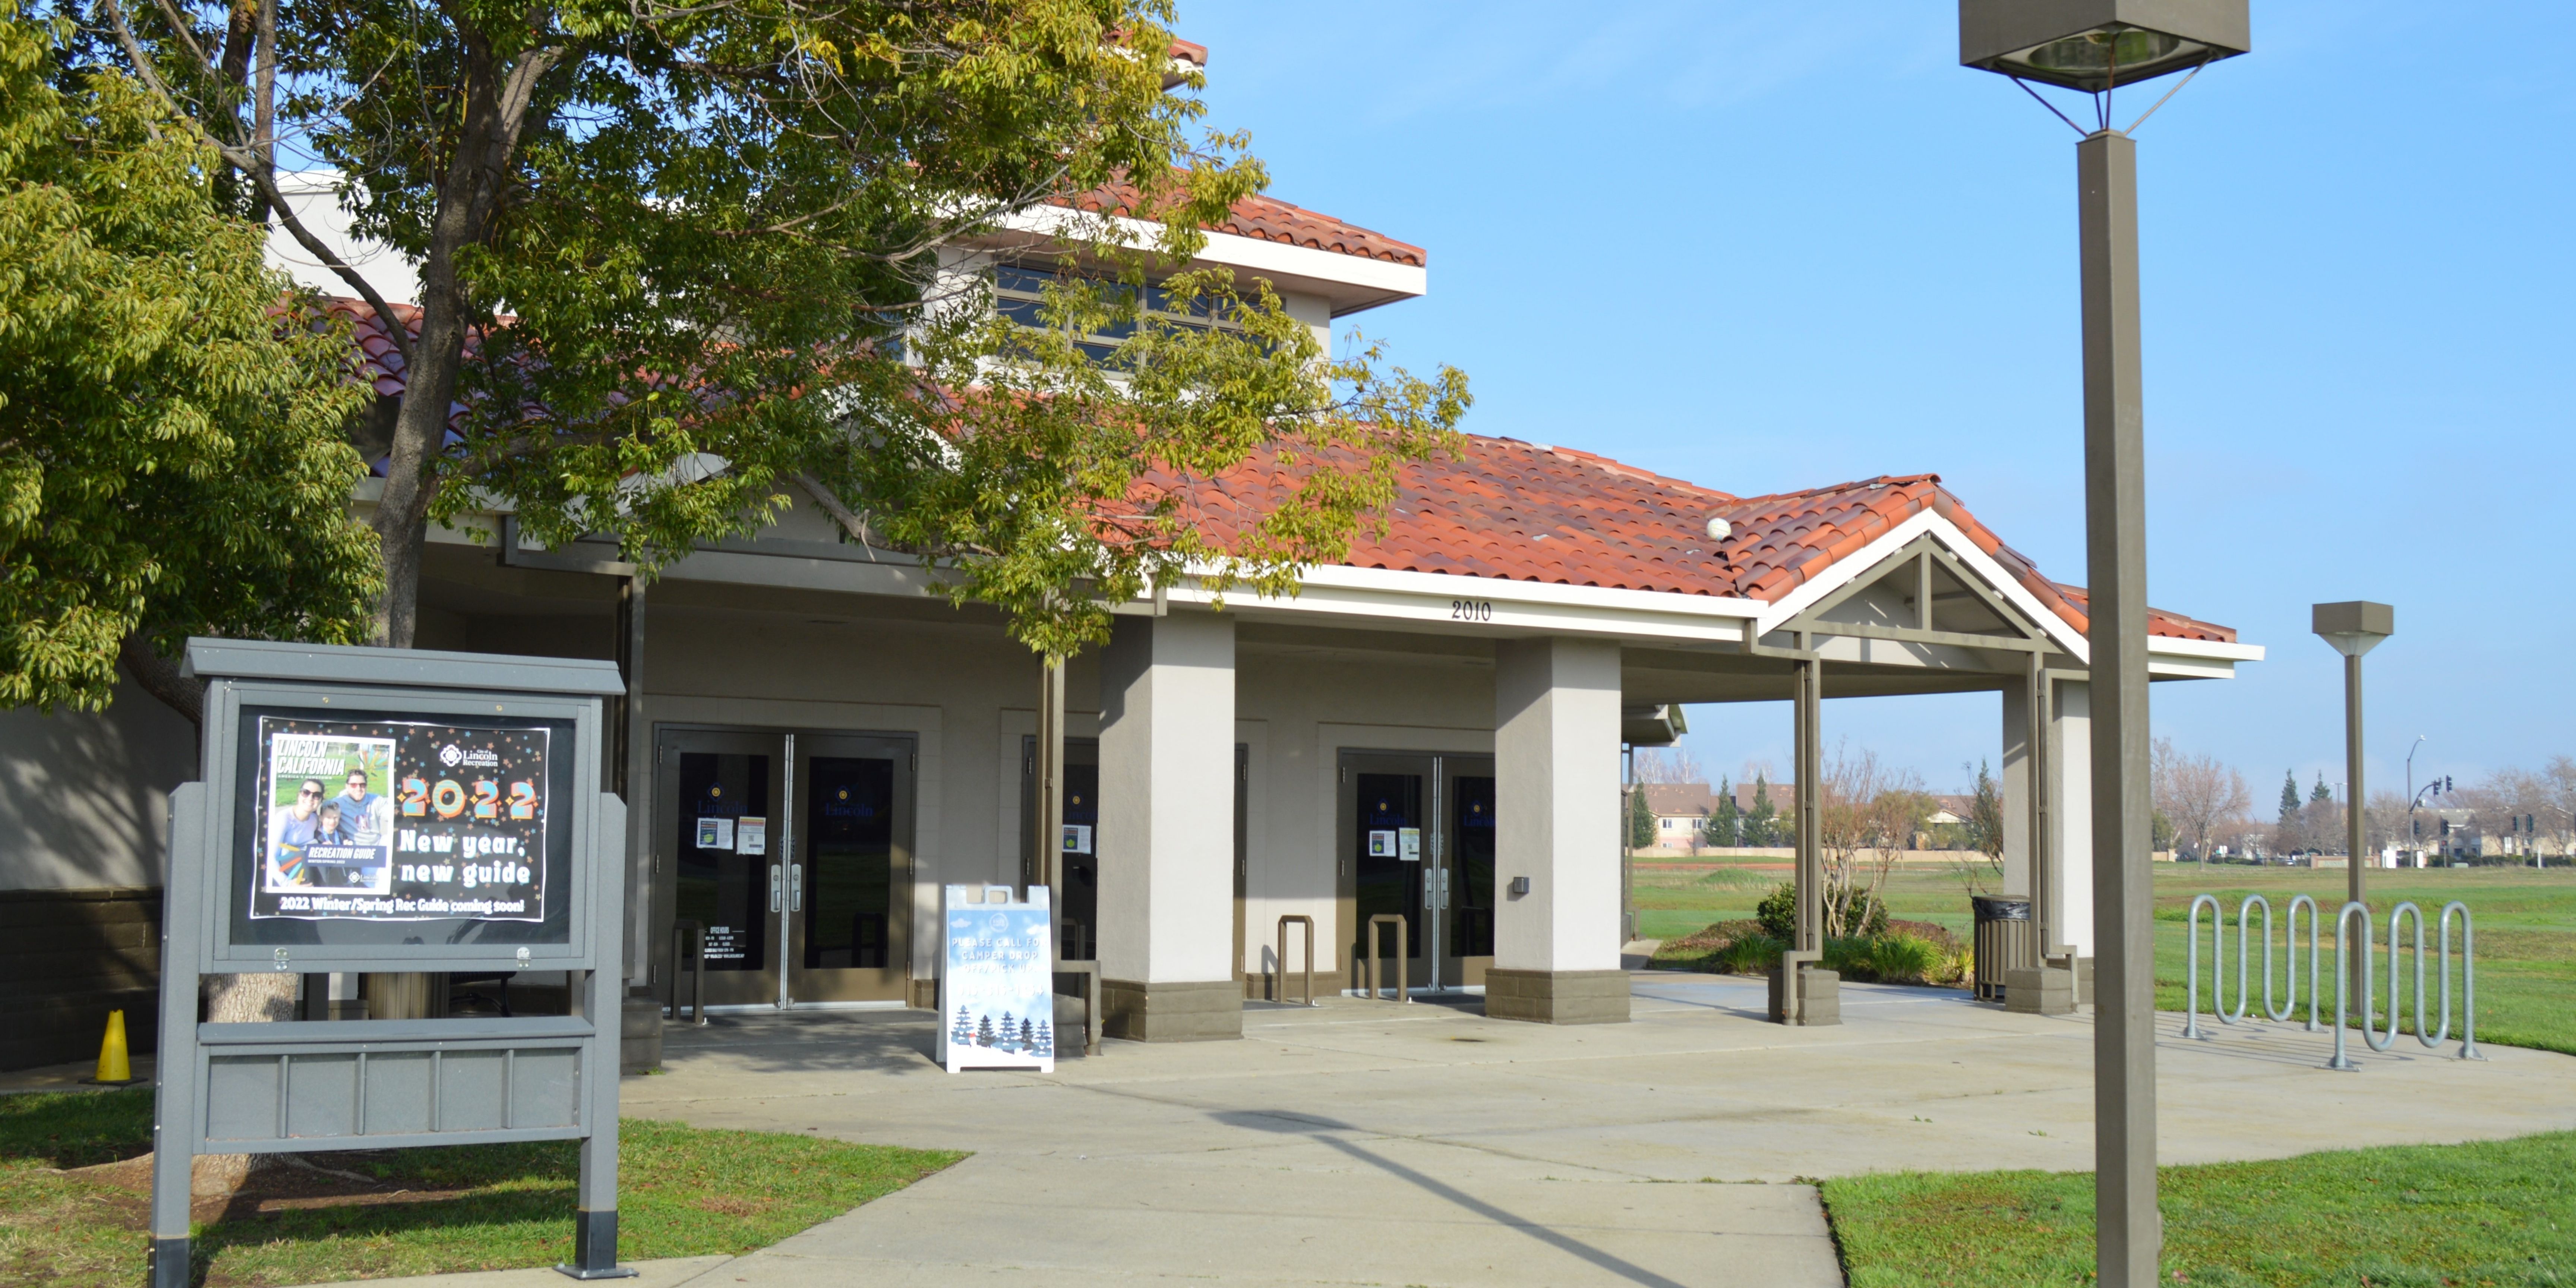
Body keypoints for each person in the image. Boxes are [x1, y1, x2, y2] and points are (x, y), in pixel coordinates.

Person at [268, 777, 329, 887]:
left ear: (321, 800)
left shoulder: (314, 820)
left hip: (304, 864)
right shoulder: (284, 819)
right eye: (306, 793)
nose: (310, 798)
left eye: (316, 796)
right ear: (299, 795)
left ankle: (326, 896)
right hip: (282, 872)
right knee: (301, 856)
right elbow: (270, 858)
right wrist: (287, 884)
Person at [334, 767, 389, 846]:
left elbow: (394, 817)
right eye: (354, 785)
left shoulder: (377, 800)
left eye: (362, 785)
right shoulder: (338, 803)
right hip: (351, 847)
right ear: (347, 786)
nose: (358, 789)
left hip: (376, 846)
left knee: (389, 839)